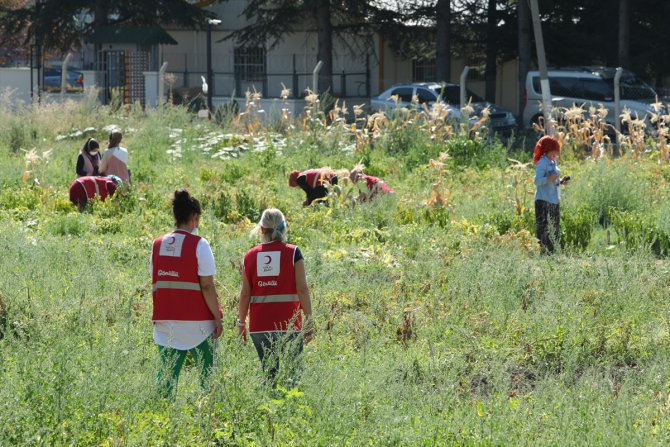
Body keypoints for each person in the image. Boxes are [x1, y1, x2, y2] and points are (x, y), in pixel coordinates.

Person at [151, 189, 223, 398]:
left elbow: (156, 281)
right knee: (207, 375)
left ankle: (160, 415)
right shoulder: (200, 244)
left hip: (165, 321)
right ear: (194, 218)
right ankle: (209, 413)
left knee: (166, 376)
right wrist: (217, 318)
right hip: (197, 323)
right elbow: (207, 286)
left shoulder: (157, 245)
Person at [237, 208, 314, 385]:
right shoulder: (294, 252)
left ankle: (269, 408)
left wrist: (241, 323)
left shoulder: (250, 255)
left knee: (269, 375)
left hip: (260, 326)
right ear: (284, 228)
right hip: (289, 325)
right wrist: (309, 321)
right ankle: (290, 410)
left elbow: (245, 293)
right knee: (292, 377)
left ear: (262, 230)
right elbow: (303, 289)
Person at [533, 135, 570, 254]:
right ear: (548, 149)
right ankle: (543, 253)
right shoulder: (542, 163)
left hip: (554, 199)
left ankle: (552, 253)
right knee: (543, 228)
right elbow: (537, 181)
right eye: (554, 150)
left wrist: (560, 182)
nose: (557, 153)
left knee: (554, 227)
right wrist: (548, 178)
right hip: (543, 200)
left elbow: (553, 181)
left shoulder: (553, 162)